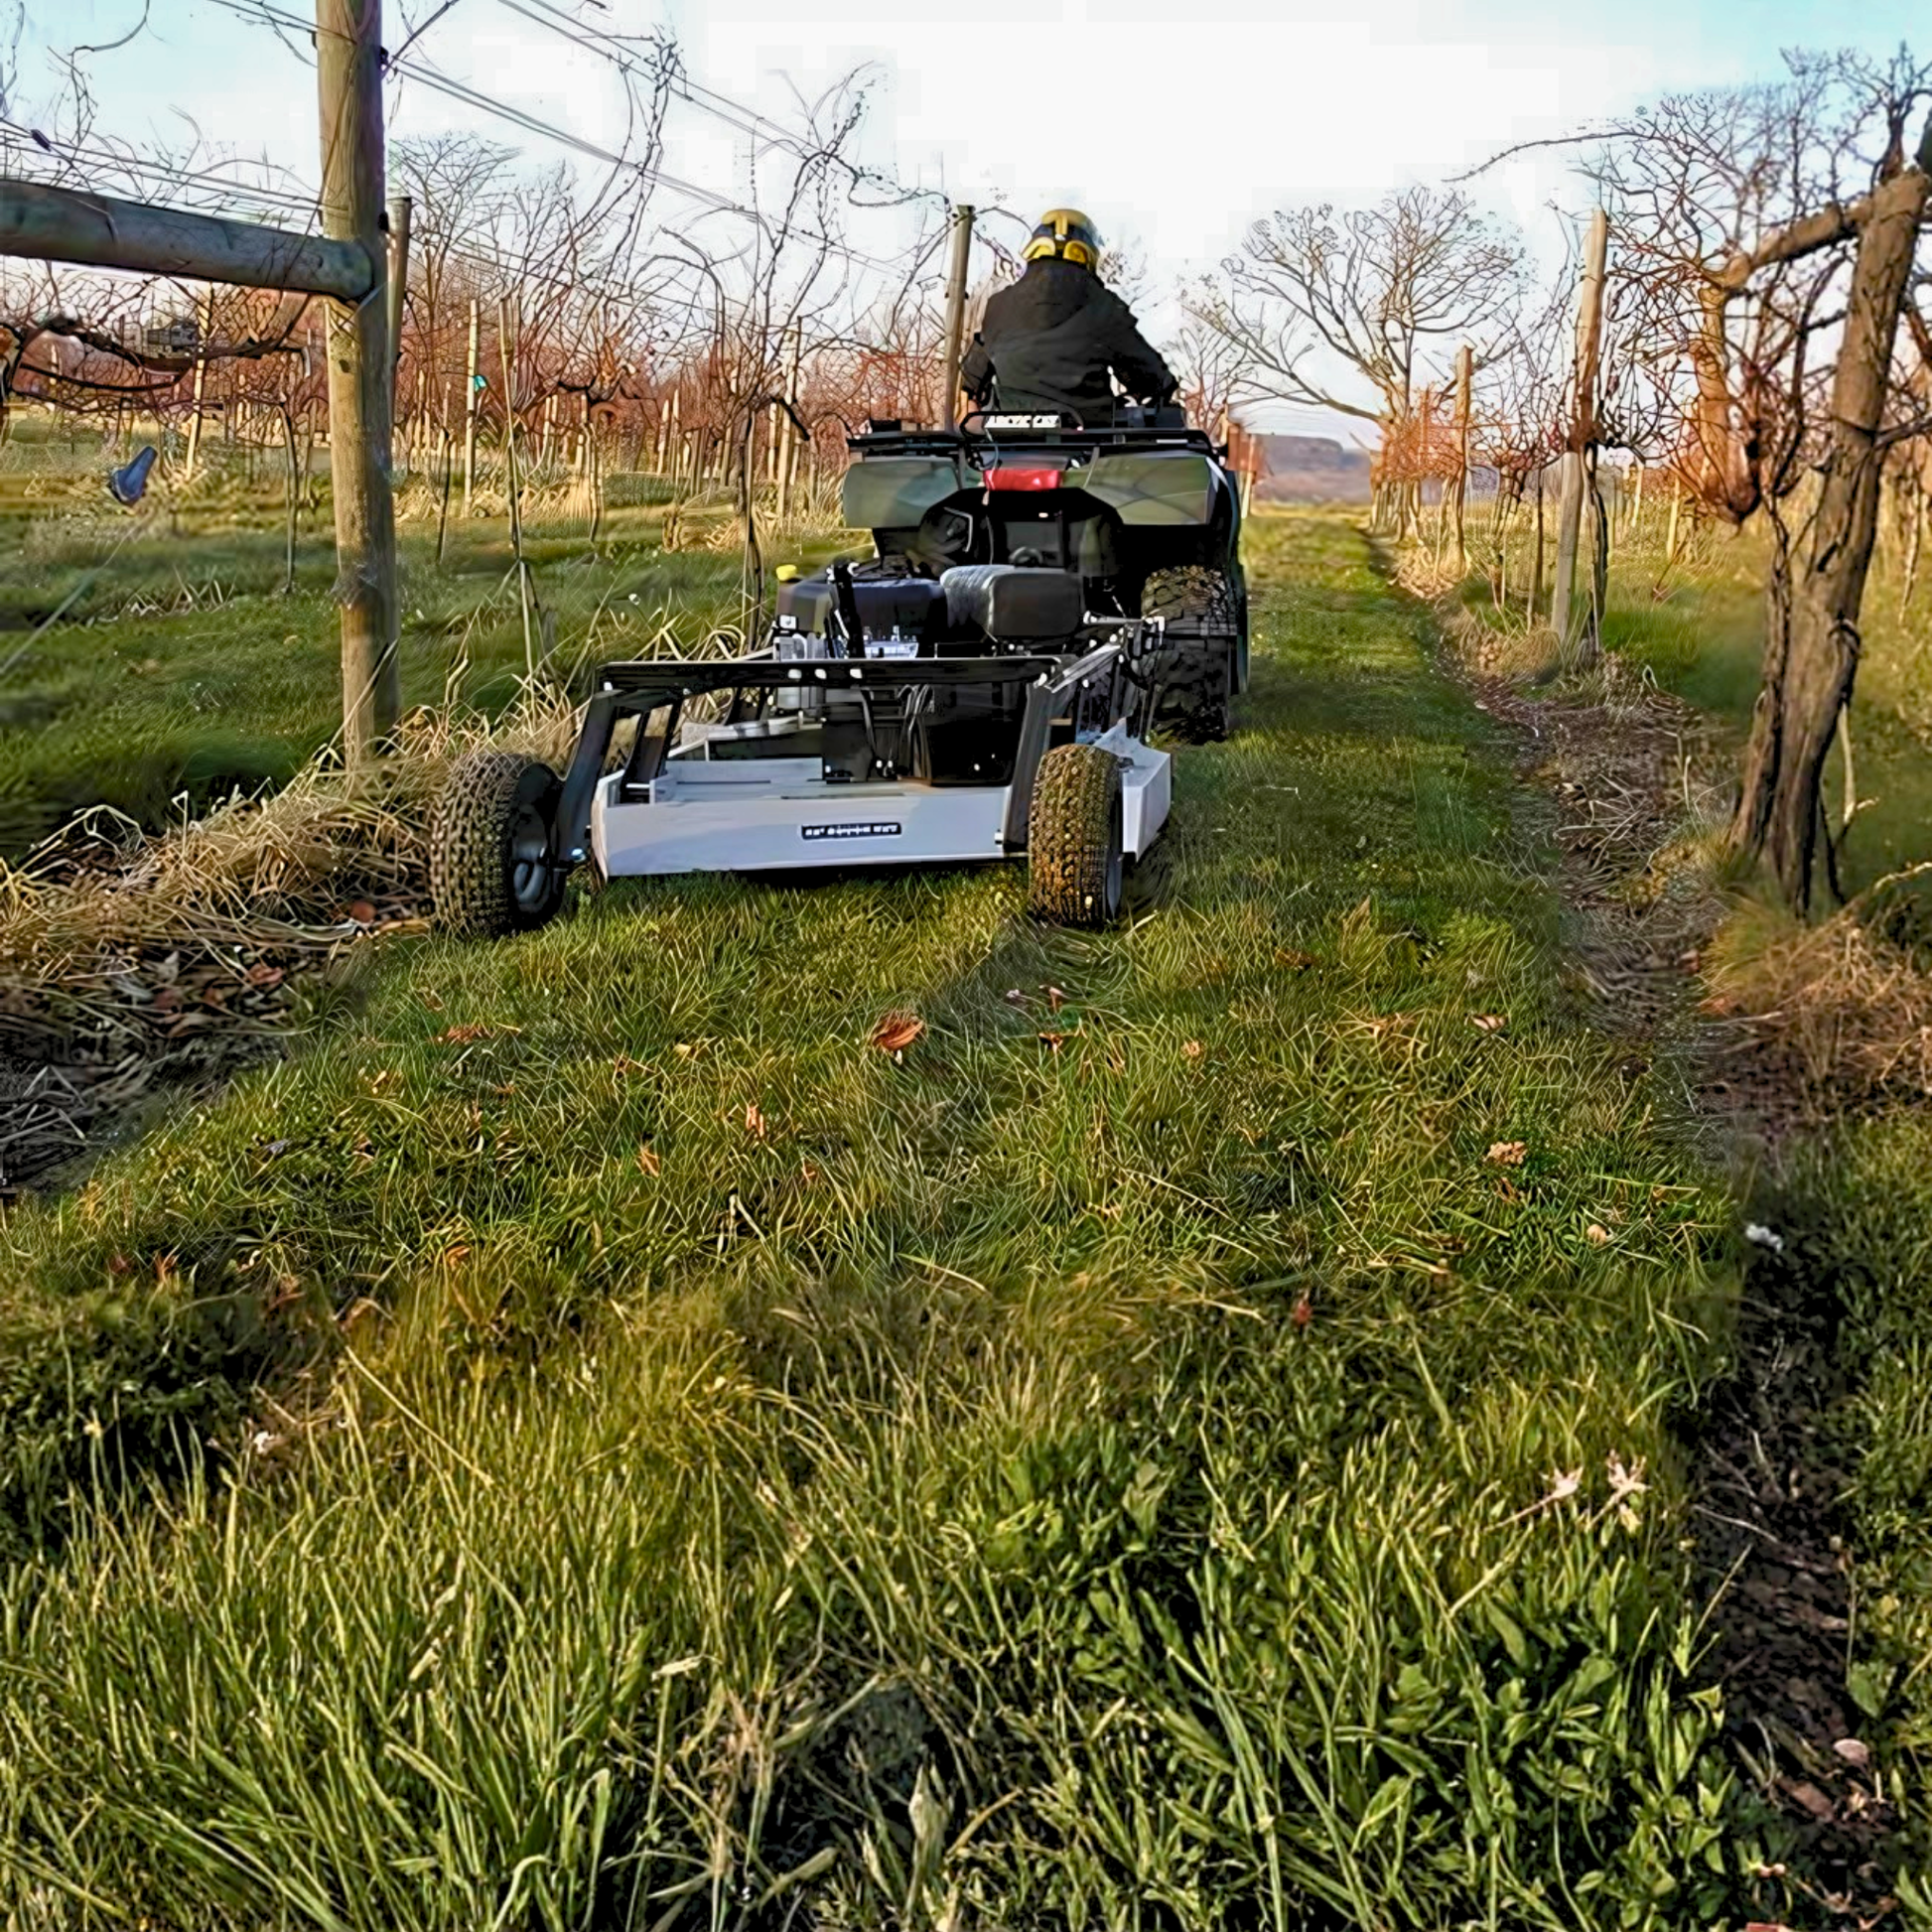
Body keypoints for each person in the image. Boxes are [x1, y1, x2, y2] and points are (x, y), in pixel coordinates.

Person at [959, 208, 1176, 424]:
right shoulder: (1103, 304)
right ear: (1087, 252)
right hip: (1085, 438)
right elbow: (1149, 376)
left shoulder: (998, 306)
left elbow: (971, 377)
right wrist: (1159, 387)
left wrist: (973, 398)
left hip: (1009, 440)